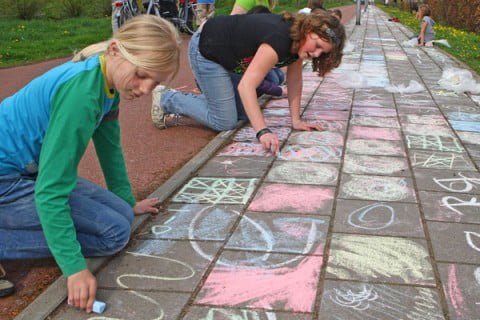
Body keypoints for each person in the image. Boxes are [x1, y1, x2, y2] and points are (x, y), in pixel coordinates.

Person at [0, 15, 181, 312]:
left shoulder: (107, 83)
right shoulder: (81, 95)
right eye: (142, 74)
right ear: (114, 50)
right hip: (7, 178)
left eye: (156, 82)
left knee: (122, 215)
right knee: (113, 234)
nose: (146, 88)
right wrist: (74, 267)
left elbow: (110, 150)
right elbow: (51, 190)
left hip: (27, 172)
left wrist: (127, 200)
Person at [152, 10, 346, 155]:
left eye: (324, 52)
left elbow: (295, 80)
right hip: (207, 51)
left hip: (229, 57)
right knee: (224, 121)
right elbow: (246, 86)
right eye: (318, 45)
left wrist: (296, 121)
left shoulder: (299, 42)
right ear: (309, 29)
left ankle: (213, 98)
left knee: (244, 113)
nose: (317, 54)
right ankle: (167, 99)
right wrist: (262, 131)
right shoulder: (280, 39)